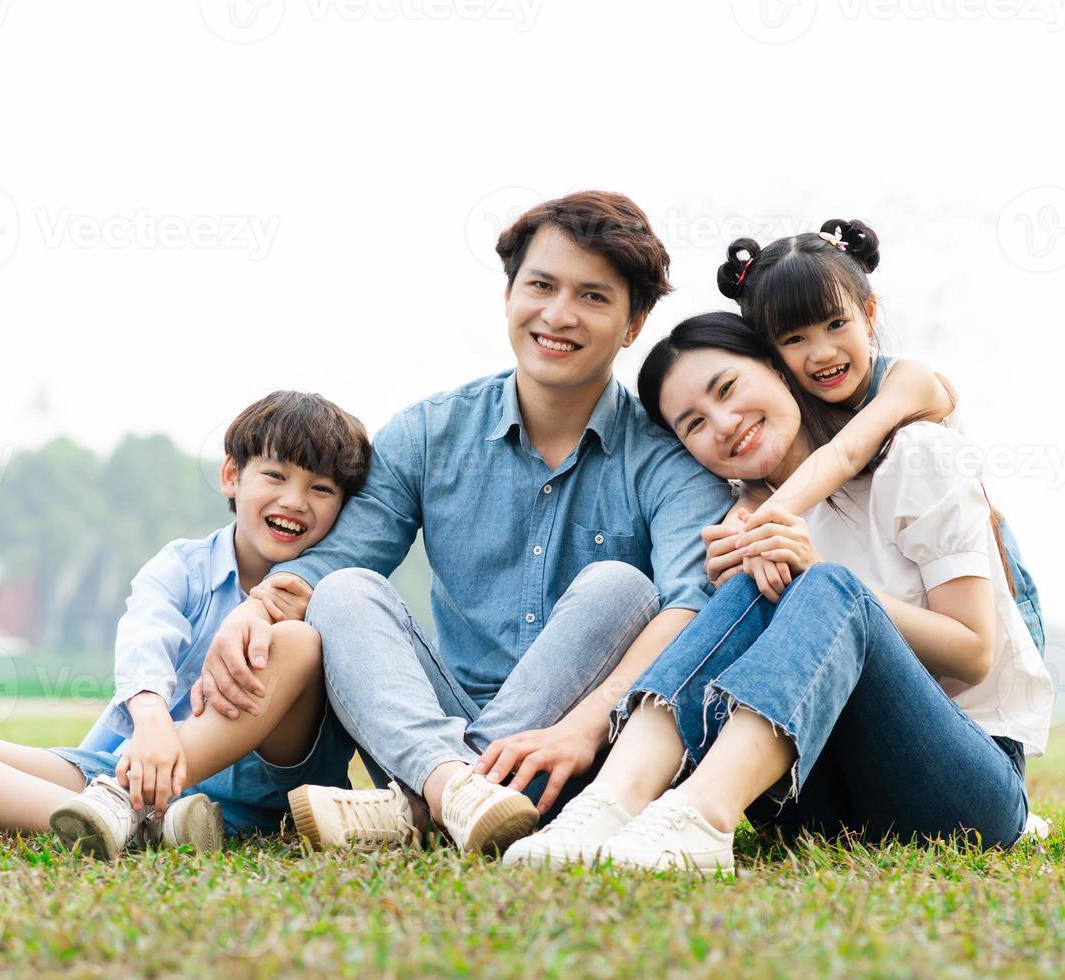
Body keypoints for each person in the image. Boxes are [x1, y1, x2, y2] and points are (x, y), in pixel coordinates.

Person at [192, 191, 734, 857]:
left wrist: (588, 728)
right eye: (541, 286)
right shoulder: (428, 434)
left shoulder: (670, 459)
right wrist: (259, 608)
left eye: (593, 296)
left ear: (632, 323)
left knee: (622, 587)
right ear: (510, 296)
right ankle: (456, 791)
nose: (557, 315)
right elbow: (331, 563)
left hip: (577, 754)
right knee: (344, 593)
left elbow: (694, 609)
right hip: (425, 736)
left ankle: (423, 810)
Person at [503, 313, 1054, 870]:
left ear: (778, 370)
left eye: (728, 388)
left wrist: (822, 580)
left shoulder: (912, 454)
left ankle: (703, 819)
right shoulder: (743, 514)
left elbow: (975, 653)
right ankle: (611, 803)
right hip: (812, 798)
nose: (722, 423)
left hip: (964, 789)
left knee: (823, 583)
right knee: (754, 579)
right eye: (693, 424)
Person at [0, 391, 375, 859]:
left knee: (295, 640)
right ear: (231, 476)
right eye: (276, 476)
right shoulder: (183, 565)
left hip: (266, 788)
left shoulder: (332, 589)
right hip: (141, 764)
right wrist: (152, 717)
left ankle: (119, 808)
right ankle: (139, 825)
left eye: (321, 489)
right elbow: (146, 631)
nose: (295, 500)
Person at [713, 219, 1044, 652]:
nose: (822, 352)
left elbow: (846, 453)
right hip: (894, 603)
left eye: (835, 324)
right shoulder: (799, 410)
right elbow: (762, 488)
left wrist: (760, 530)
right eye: (794, 338)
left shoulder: (910, 380)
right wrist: (739, 525)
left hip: (982, 595)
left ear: (868, 315)